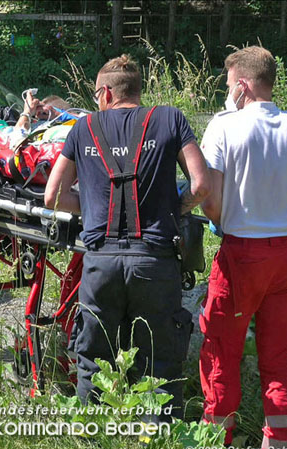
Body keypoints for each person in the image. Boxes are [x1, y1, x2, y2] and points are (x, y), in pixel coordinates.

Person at [44, 54, 211, 417]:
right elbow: (200, 186)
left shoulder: (83, 128)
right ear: (137, 90)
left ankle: (95, 434)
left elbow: (53, 194)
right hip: (155, 262)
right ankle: (160, 436)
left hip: (100, 262)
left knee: (93, 357)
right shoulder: (169, 118)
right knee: (160, 358)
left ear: (105, 93)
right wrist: (172, 208)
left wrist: (91, 207)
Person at [199, 46, 287, 449]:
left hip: (241, 257)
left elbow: (209, 201)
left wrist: (226, 217)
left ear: (243, 85)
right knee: (278, 357)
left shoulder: (224, 126)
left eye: (230, 84)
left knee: (221, 353)